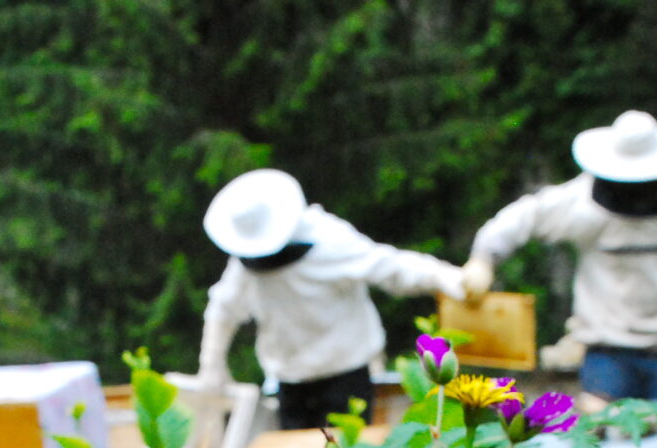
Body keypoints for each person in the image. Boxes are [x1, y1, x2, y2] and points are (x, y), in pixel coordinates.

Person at [462, 111, 657, 402]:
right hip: (606, 350)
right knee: (605, 434)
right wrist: (483, 258)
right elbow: (523, 218)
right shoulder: (580, 204)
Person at [199, 169, 465, 430]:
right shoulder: (245, 261)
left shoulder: (329, 239)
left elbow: (389, 267)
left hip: (346, 373)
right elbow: (223, 308)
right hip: (289, 381)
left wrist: (443, 276)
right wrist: (211, 363)